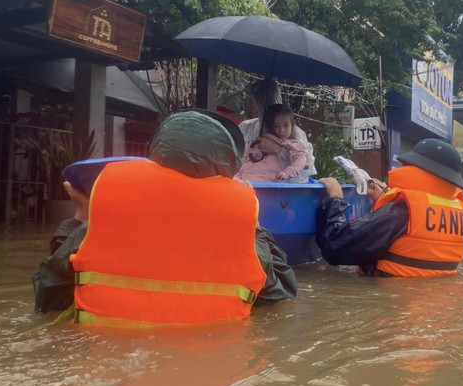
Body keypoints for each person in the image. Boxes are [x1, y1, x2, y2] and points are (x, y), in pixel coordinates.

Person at [32, 109, 298, 325]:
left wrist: (79, 217)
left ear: (157, 154)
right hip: (210, 365)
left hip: (105, 361)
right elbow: (282, 293)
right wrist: (255, 227)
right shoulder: (241, 232)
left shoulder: (107, 221)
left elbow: (48, 294)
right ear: (227, 164)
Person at [316, 138, 463, 277]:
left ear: (415, 168)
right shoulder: (460, 210)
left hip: (393, 299)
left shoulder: (401, 210)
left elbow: (335, 247)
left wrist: (336, 199)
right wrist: (385, 200)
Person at [239, 79, 316, 182]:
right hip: (245, 180)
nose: (281, 130)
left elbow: (305, 168)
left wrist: (279, 151)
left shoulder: (294, 133)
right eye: (259, 101)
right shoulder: (245, 127)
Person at [238, 104, 308, 182]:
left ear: (292, 126)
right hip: (245, 174)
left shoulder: (294, 145)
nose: (281, 130)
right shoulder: (266, 138)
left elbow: (300, 161)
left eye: (286, 125)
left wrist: (287, 172)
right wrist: (255, 153)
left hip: (265, 181)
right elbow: (246, 157)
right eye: (276, 126)